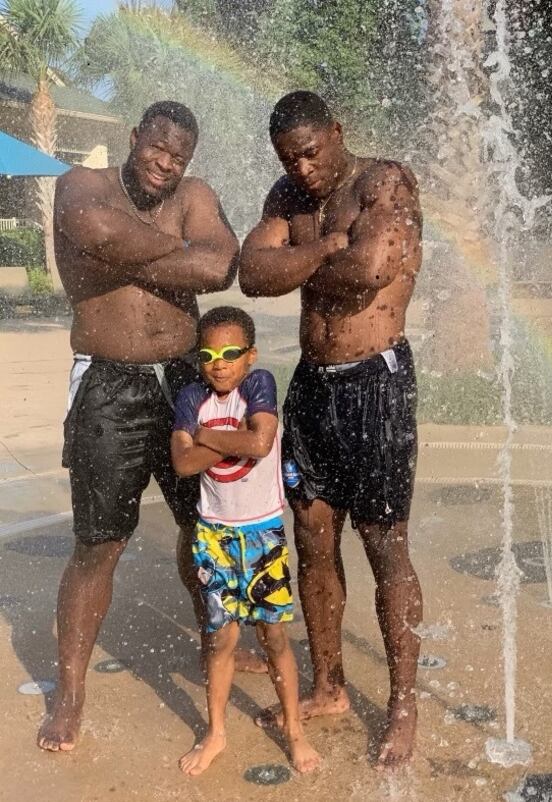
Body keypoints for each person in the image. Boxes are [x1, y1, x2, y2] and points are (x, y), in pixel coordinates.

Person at [37, 101, 245, 753]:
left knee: (206, 524)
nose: (165, 164)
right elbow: (97, 232)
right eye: (157, 148)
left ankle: (217, 642)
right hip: (110, 382)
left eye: (178, 156)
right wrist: (177, 251)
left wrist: (129, 252)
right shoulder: (81, 185)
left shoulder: (196, 194)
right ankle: (69, 695)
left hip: (185, 380)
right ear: (134, 138)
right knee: (99, 543)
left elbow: (217, 268)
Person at [239, 91, 423, 768]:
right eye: (291, 158)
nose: (304, 169)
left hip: (375, 380)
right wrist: (324, 247)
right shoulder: (285, 196)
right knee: (313, 539)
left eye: (312, 152)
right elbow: (253, 275)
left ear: (337, 133)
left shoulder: (385, 182)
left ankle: (403, 704)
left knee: (383, 542)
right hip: (313, 385)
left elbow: (370, 270)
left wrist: (307, 258)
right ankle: (330, 687)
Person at [171, 306, 320, 775]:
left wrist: (203, 438)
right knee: (219, 640)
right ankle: (215, 732)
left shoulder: (259, 385)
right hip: (214, 534)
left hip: (261, 533)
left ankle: (294, 731)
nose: (219, 363)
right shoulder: (192, 395)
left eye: (230, 353)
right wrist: (220, 437)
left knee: (274, 637)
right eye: (209, 354)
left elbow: (259, 444)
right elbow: (181, 463)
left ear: (249, 356)